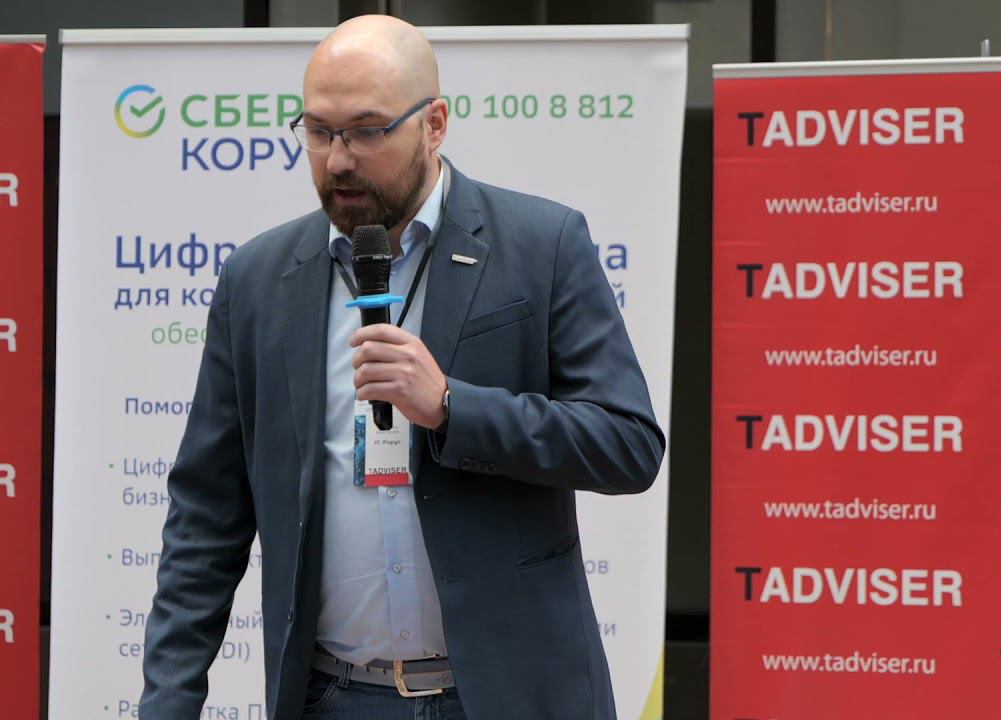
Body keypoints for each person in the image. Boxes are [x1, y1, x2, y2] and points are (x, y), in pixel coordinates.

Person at [139, 15, 665, 720]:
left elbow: (628, 445)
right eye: (319, 131)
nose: (338, 160)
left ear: (434, 124)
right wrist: (168, 702)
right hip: (333, 698)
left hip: (506, 698)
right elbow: (205, 518)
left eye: (366, 131)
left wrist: (451, 406)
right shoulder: (259, 280)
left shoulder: (542, 245)